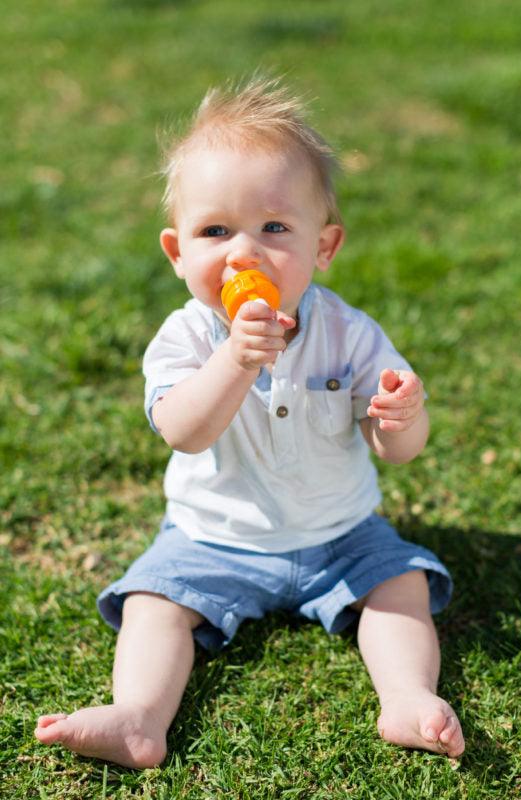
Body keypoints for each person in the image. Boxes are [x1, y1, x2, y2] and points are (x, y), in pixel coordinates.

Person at [35, 78, 465, 767]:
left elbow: (399, 452)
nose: (243, 252)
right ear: (177, 254)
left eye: (273, 228)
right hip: (213, 536)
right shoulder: (184, 340)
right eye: (215, 231)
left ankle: (408, 698)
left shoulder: (349, 335)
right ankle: (138, 717)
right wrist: (235, 360)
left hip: (339, 533)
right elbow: (184, 430)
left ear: (322, 247)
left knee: (400, 588)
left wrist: (398, 416)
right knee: (153, 602)